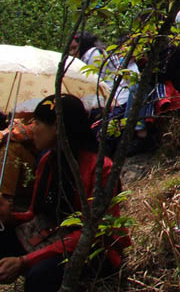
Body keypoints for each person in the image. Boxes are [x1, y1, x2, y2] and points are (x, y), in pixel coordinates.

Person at [0, 95, 130, 291]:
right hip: (53, 236)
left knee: (40, 277)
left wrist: (24, 260)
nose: (33, 128)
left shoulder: (101, 169)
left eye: (38, 122)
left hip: (93, 250)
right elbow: (34, 214)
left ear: (57, 127)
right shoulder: (47, 161)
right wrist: (7, 216)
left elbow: (93, 233)